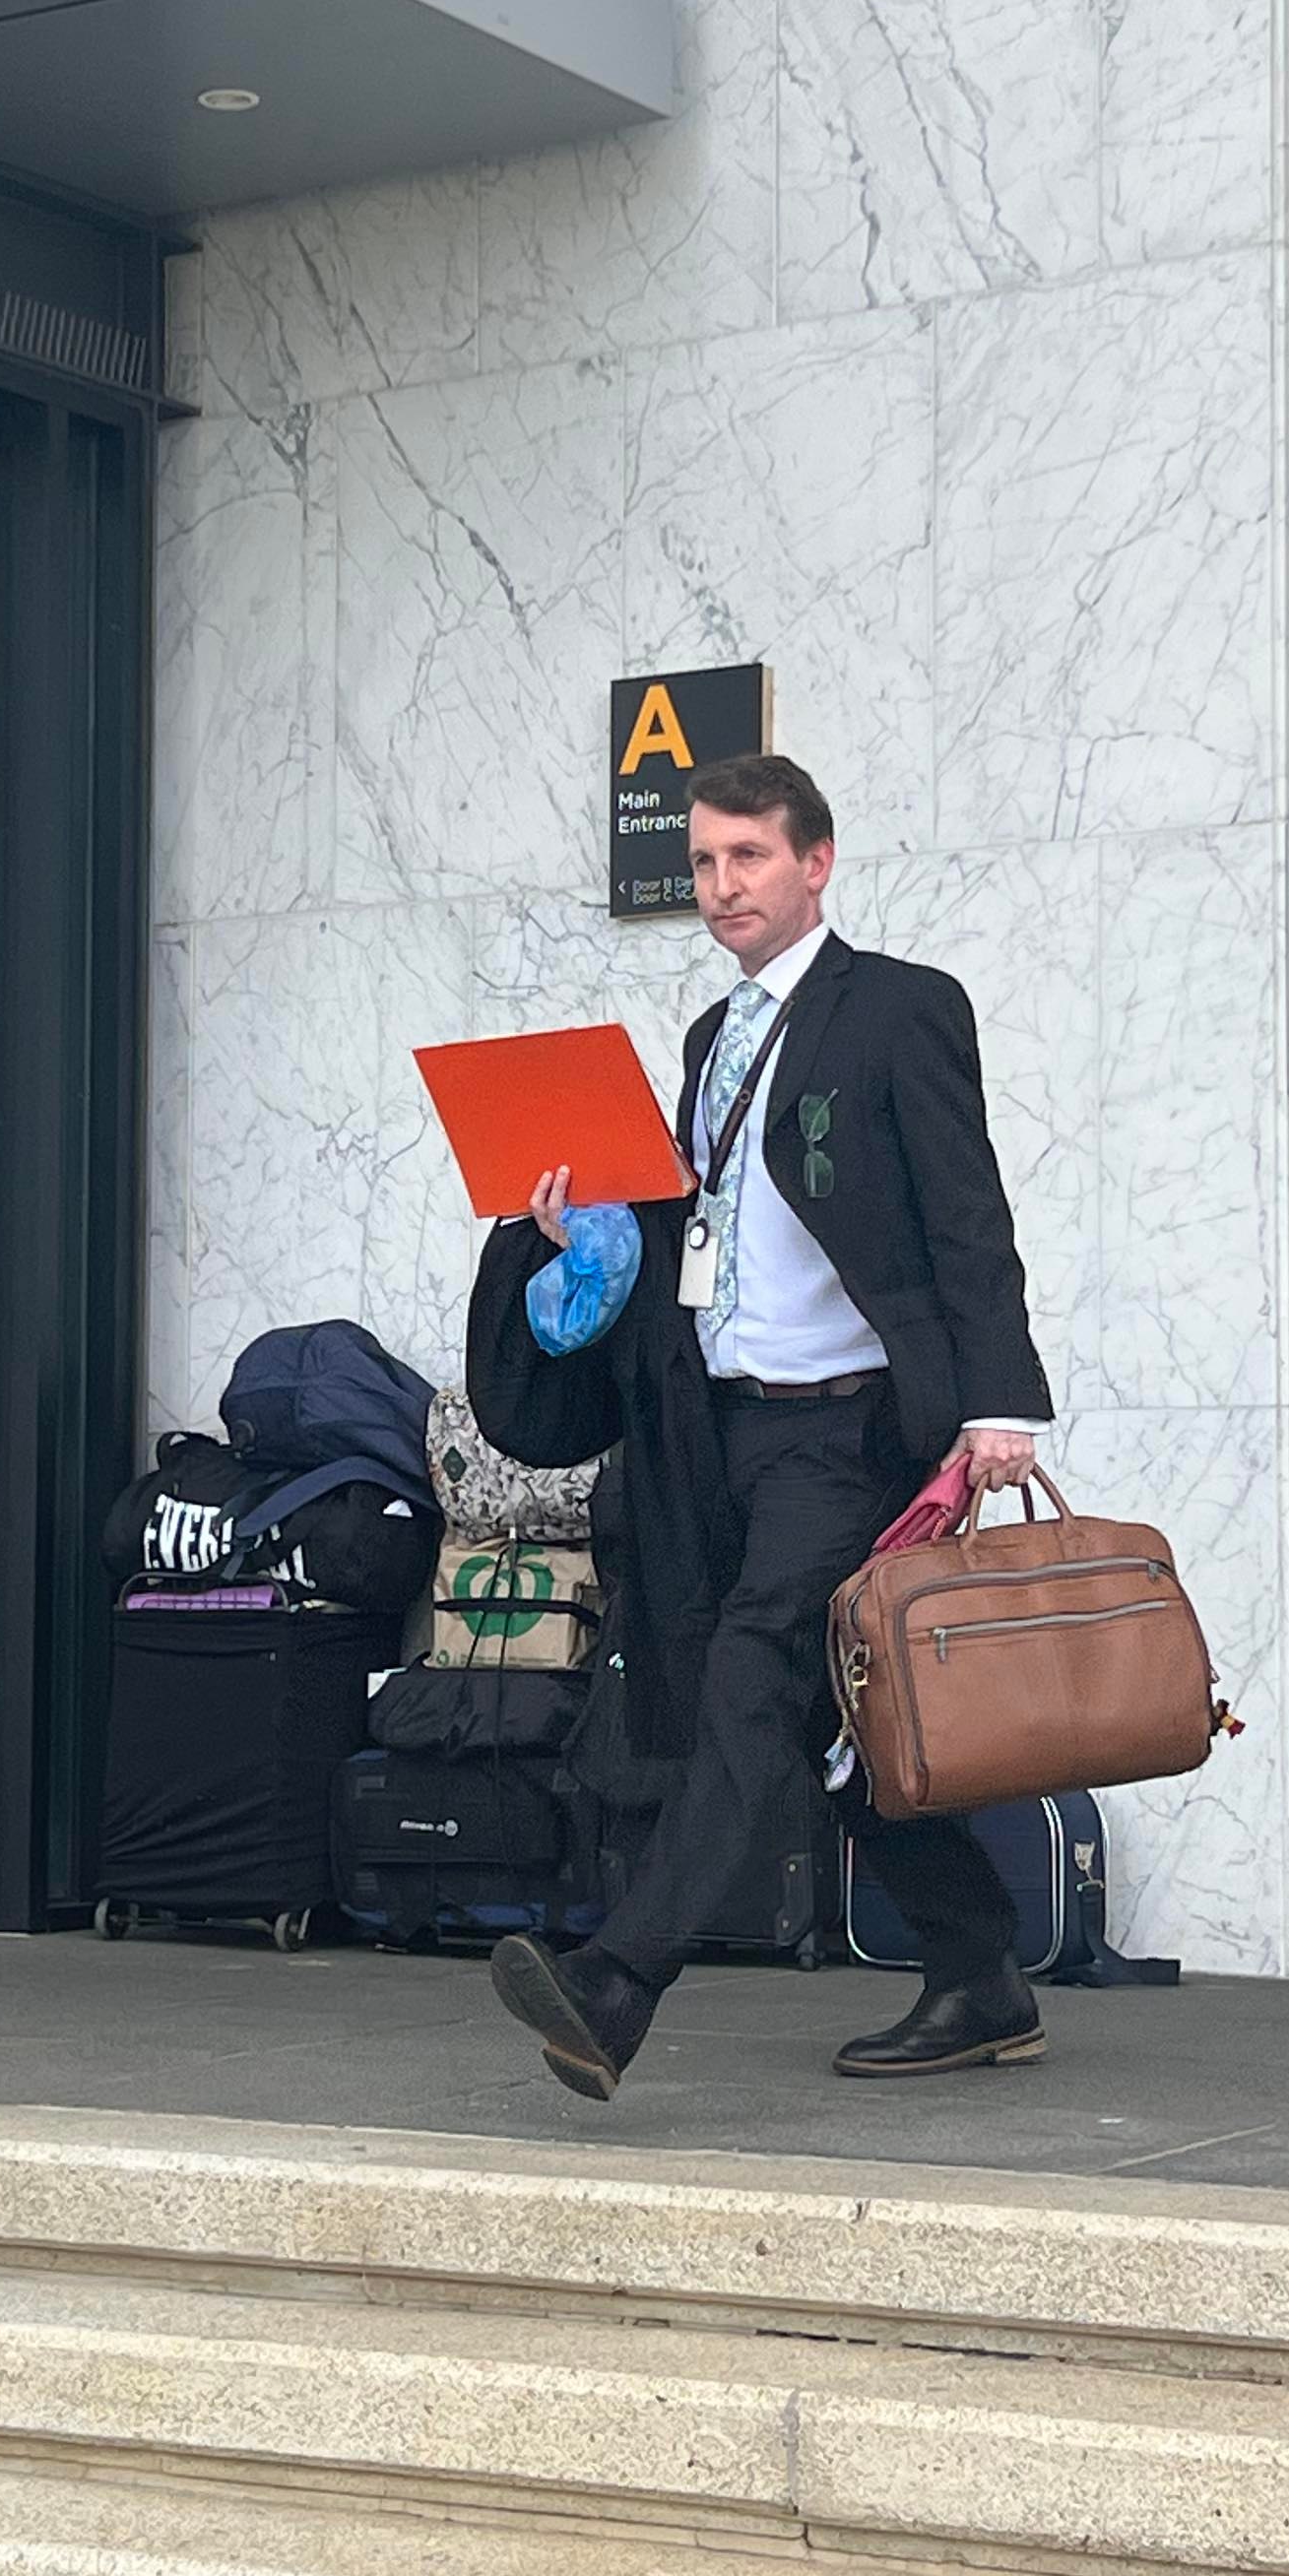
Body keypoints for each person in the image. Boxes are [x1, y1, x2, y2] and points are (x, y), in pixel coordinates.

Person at [470, 753, 1052, 2100]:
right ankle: (979, 1969)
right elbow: (706, 1220)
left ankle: (617, 1984)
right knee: (822, 1721)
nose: (722, 885)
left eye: (749, 856)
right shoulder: (706, 1040)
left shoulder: (900, 1007)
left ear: (815, 864)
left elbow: (968, 1212)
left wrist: (1001, 1404)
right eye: (705, 862)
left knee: (749, 1675)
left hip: (849, 1432)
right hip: (719, 1429)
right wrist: (577, 1223)